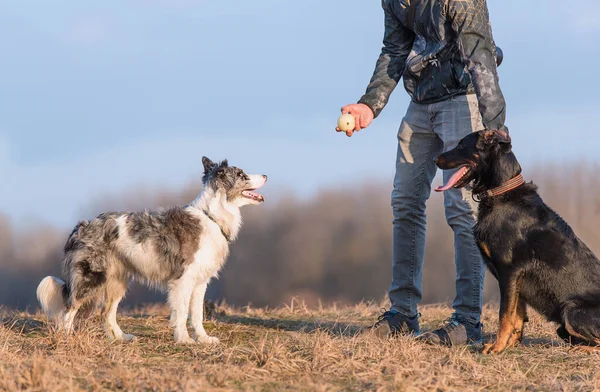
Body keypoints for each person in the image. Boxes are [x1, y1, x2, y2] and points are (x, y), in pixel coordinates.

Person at [338, 0, 507, 346]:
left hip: (465, 98)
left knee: (463, 210)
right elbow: (394, 50)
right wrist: (371, 104)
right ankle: (402, 314)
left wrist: (495, 129)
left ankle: (467, 321)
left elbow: (480, 53)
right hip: (421, 103)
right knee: (405, 201)